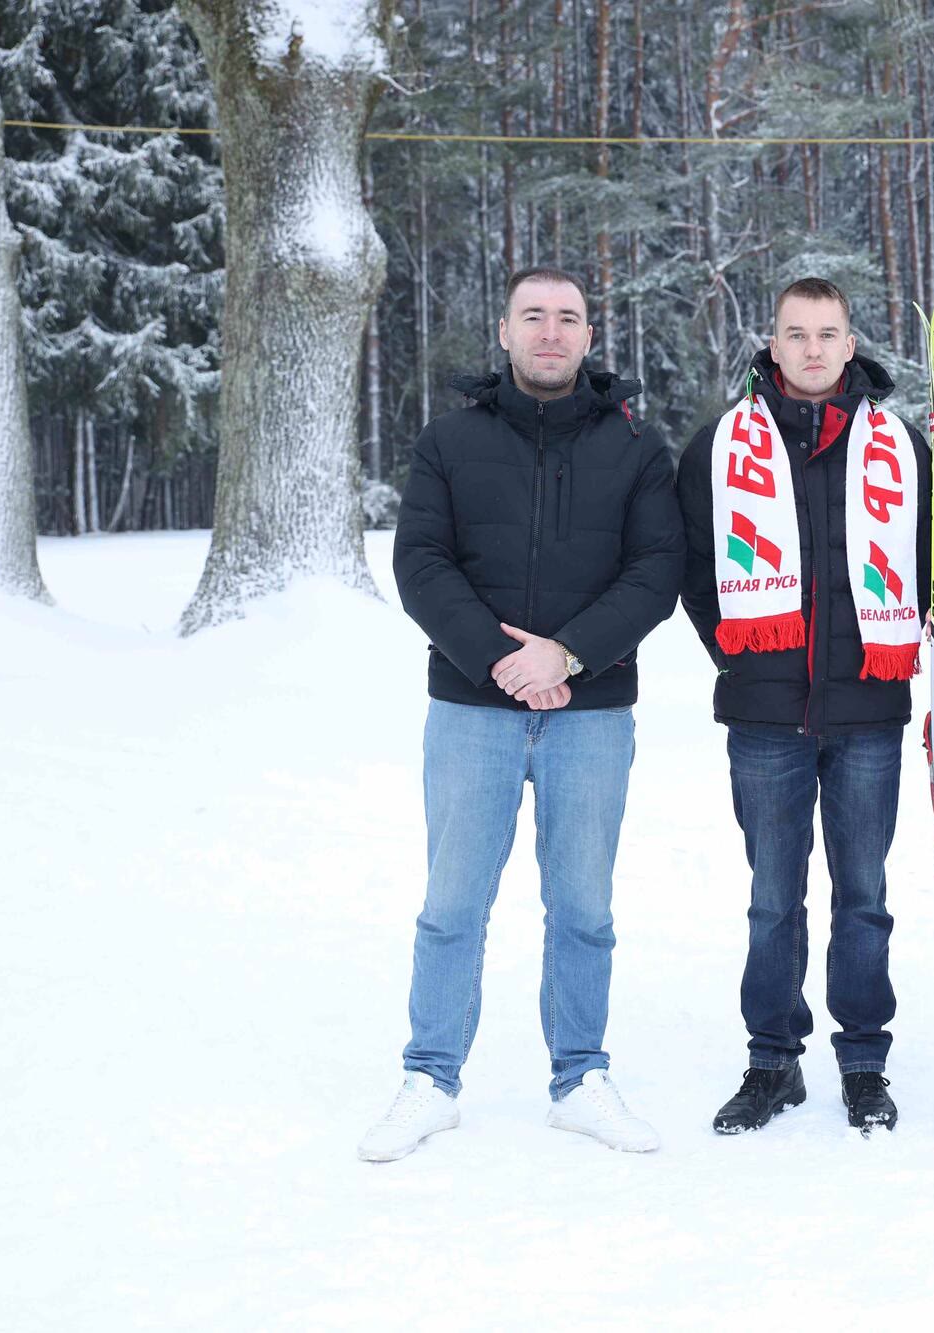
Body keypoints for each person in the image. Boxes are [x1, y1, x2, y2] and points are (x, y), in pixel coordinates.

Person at [359, 267, 684, 1162]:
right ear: (503, 332)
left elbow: (657, 571)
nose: (551, 331)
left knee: (583, 906)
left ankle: (580, 1078)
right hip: (472, 709)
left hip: (590, 715)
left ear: (590, 336)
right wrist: (506, 662)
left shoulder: (636, 449)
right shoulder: (449, 442)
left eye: (568, 317)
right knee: (452, 904)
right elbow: (421, 564)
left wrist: (566, 654)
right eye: (533, 316)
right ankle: (429, 1078)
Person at [676, 277, 929, 1136]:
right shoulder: (722, 445)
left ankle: (863, 1062)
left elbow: (929, 568)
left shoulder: (900, 446)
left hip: (869, 712)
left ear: (850, 344)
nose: (814, 348)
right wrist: (744, 658)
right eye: (797, 333)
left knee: (864, 893)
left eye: (828, 333)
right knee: (772, 898)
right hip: (766, 716)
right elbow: (697, 568)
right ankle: (772, 1061)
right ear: (772, 343)